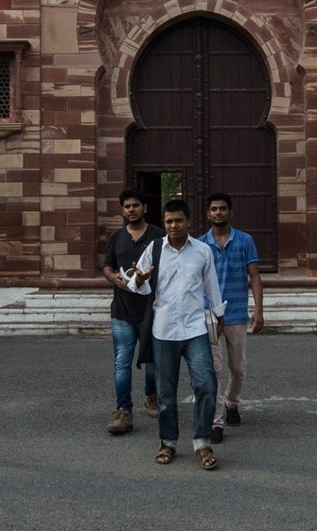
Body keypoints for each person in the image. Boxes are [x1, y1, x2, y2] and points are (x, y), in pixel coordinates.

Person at [129, 198, 225, 470]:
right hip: (164, 330)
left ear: (189, 222)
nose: (173, 225)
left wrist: (219, 314)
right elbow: (136, 284)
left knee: (206, 383)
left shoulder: (202, 251)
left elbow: (211, 286)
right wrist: (139, 278)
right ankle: (168, 441)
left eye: (178, 221)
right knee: (165, 392)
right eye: (168, 221)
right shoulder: (155, 249)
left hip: (195, 329)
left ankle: (202, 441)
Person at [200, 192, 264, 443]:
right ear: (208, 214)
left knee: (237, 367)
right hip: (210, 314)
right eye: (214, 209)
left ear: (230, 212)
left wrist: (258, 310)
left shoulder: (245, 241)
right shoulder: (200, 244)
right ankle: (216, 422)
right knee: (213, 369)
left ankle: (231, 402)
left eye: (222, 208)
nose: (218, 213)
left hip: (237, 313)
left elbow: (255, 276)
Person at [101, 187, 161, 434]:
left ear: (144, 208)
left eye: (136, 205)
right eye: (127, 206)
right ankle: (124, 411)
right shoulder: (116, 238)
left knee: (153, 362)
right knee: (122, 363)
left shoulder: (159, 236)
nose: (131, 210)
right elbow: (107, 266)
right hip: (123, 312)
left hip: (152, 311)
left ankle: (151, 396)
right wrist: (112, 277)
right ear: (122, 210)